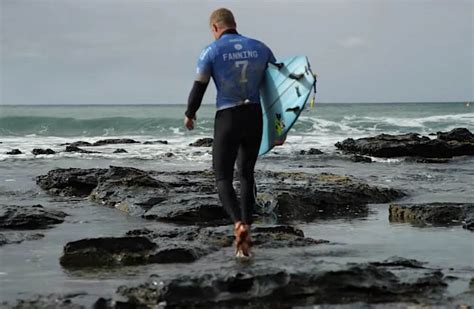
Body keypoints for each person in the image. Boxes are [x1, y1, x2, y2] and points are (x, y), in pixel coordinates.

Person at [184, 8, 276, 258]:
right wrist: (280, 126)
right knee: (246, 173)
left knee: (223, 178)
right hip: (254, 115)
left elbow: (199, 87)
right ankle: (249, 227)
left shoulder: (211, 51)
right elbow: (277, 86)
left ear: (215, 28)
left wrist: (190, 114)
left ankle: (238, 224)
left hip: (228, 116)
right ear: (234, 24)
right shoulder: (260, 47)